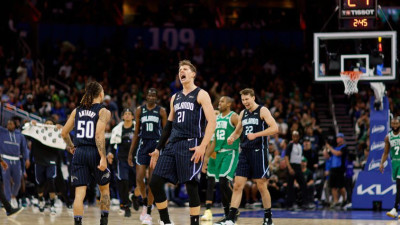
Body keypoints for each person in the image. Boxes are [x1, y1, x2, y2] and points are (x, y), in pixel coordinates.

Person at [149, 60, 216, 225]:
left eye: (185, 69)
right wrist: (158, 149)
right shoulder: (175, 97)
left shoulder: (201, 94)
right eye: (180, 70)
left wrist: (202, 146)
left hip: (191, 143)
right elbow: (168, 125)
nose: (181, 72)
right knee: (155, 182)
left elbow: (212, 122)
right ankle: (165, 221)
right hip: (172, 144)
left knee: (191, 185)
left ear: (193, 74)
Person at [221, 88, 278, 225]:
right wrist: (232, 137)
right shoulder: (243, 113)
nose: (245, 102)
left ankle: (268, 218)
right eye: (243, 100)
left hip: (259, 151)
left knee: (261, 185)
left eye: (247, 99)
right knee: (237, 185)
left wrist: (257, 135)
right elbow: (237, 131)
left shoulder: (262, 110)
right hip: (245, 152)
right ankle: (231, 218)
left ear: (253, 98)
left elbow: (275, 128)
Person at [61, 81, 112, 225]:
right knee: (104, 190)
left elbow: (64, 133)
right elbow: (98, 135)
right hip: (95, 152)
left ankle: (77, 223)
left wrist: (71, 146)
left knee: (79, 194)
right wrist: (103, 157)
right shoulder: (103, 111)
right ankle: (103, 221)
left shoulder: (76, 111)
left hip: (80, 152)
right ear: (101, 94)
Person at [128, 88, 167, 224]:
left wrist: (165, 150)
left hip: (156, 146)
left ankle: (149, 211)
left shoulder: (161, 111)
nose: (151, 97)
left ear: (156, 97)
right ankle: (145, 201)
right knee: (139, 178)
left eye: (154, 95)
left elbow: (165, 133)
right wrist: (130, 153)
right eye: (149, 95)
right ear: (146, 96)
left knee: (151, 181)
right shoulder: (139, 110)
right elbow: (136, 132)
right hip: (143, 145)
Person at [201, 96, 240, 222]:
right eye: (219, 101)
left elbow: (242, 129)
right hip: (218, 154)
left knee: (223, 181)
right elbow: (214, 141)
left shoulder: (234, 116)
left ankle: (234, 209)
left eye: (222, 101)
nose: (219, 103)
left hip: (230, 152)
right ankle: (227, 215)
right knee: (221, 185)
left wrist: (236, 138)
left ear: (229, 104)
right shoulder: (216, 119)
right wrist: (206, 157)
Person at [107, 108, 136, 217]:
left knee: (138, 182)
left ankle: (134, 197)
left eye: (130, 113)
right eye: (126, 114)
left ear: (133, 116)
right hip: (122, 159)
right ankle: (125, 205)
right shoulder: (117, 129)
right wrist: (110, 153)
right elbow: (112, 146)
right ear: (122, 117)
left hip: (135, 159)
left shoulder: (138, 128)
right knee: (123, 182)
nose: (128, 115)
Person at [30, 119, 63, 214]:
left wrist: (61, 129)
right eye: (47, 124)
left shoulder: (57, 132)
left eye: (50, 124)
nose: (49, 125)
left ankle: (52, 204)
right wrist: (33, 126)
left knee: (51, 181)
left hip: (51, 160)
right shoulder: (38, 132)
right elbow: (27, 135)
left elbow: (66, 137)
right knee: (40, 183)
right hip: (39, 160)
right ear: (43, 125)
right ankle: (41, 199)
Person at [0, 119, 28, 208]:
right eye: (7, 123)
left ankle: (13, 196)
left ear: (15, 125)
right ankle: (8, 201)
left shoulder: (20, 135)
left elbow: (24, 148)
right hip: (5, 159)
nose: (9, 125)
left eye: (11, 123)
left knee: (18, 181)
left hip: (17, 160)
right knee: (6, 181)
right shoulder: (2, 132)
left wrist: (27, 158)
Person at [380, 116, 400, 218]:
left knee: (399, 186)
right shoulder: (388, 137)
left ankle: (395, 209)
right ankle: (395, 209)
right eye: (393, 123)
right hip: (395, 163)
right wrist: (381, 163)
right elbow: (386, 152)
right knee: (398, 186)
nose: (395, 125)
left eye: (397, 123)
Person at [284, 131, 308, 210]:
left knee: (303, 184)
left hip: (298, 167)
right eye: (294, 136)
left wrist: (300, 167)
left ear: (298, 137)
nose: (295, 138)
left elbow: (299, 157)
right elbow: (286, 157)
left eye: (296, 136)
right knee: (290, 186)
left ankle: (304, 203)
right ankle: (289, 204)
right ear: (292, 137)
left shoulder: (300, 146)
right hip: (291, 166)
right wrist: (290, 168)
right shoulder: (290, 145)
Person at [323, 133, 347, 209]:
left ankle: (344, 200)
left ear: (342, 139)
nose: (337, 139)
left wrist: (330, 148)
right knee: (333, 187)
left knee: (341, 186)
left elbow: (337, 154)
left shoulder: (344, 148)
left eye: (339, 138)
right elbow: (327, 156)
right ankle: (336, 201)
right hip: (333, 169)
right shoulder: (334, 147)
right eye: (337, 138)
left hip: (340, 169)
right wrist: (326, 148)